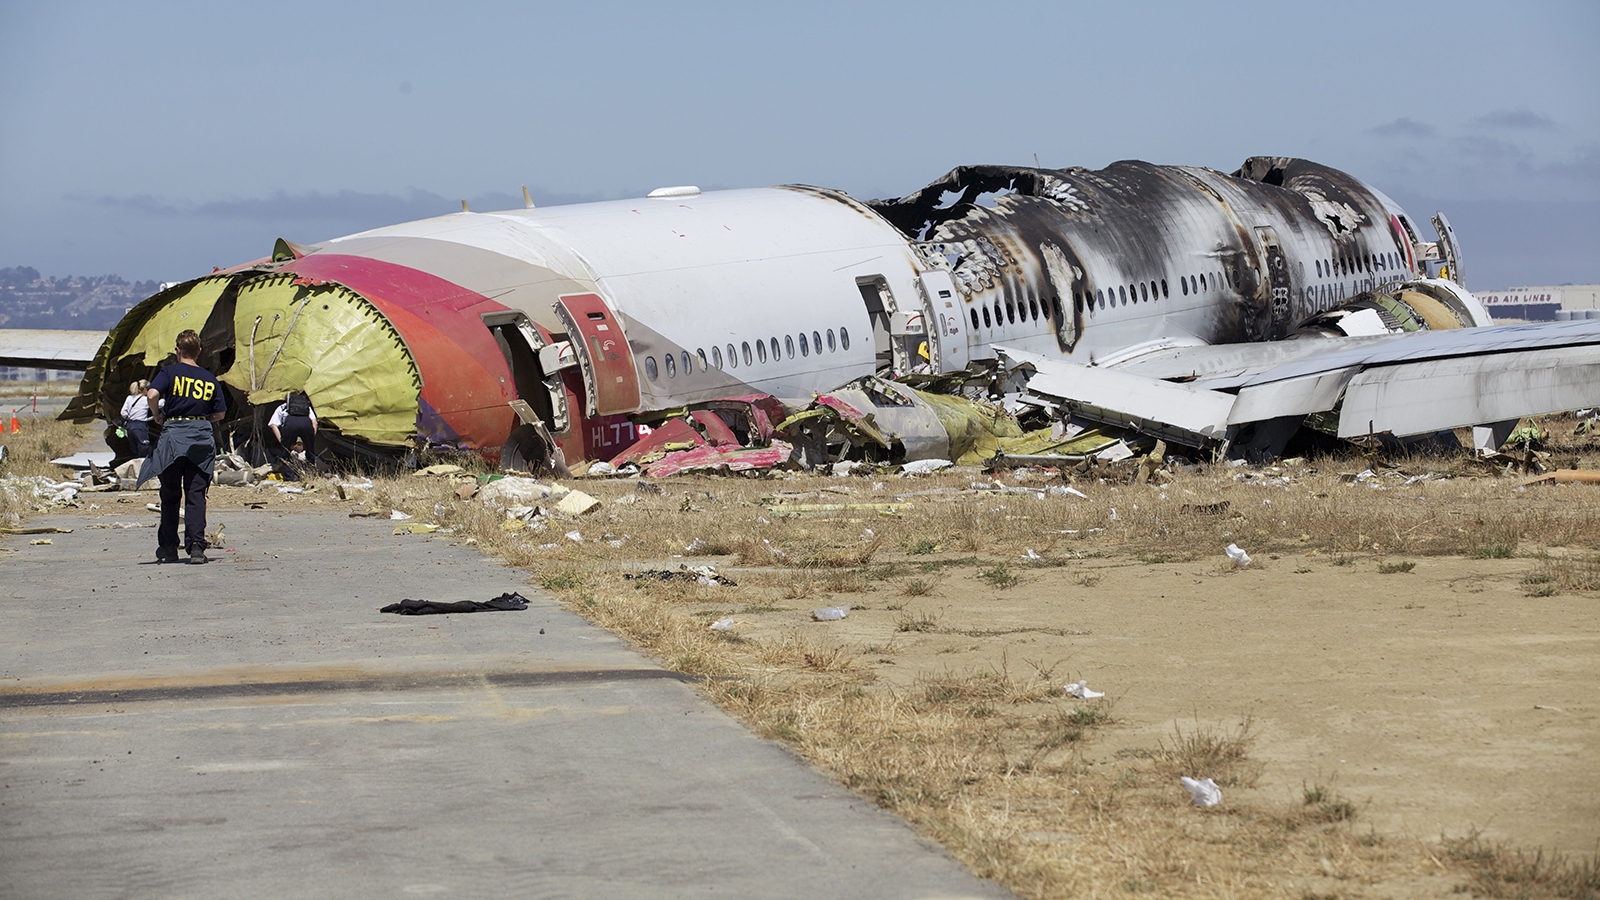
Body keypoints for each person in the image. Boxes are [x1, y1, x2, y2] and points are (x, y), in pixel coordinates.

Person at [136, 330, 226, 565]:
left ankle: (168, 547)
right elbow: (220, 413)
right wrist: (201, 417)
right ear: (200, 351)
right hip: (200, 439)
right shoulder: (209, 378)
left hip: (174, 437)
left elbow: (152, 394)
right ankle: (196, 547)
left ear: (178, 350)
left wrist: (157, 414)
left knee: (170, 493)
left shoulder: (169, 372)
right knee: (196, 494)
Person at [268, 391, 317, 476]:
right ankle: (311, 474)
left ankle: (290, 477)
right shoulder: (306, 407)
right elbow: (314, 422)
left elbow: (273, 425)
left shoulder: (281, 408)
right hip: (306, 423)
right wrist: (311, 438)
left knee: (285, 453)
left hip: (290, 424)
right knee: (310, 452)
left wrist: (282, 441)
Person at [119, 379, 152, 457]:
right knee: (144, 448)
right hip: (140, 426)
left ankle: (136, 463)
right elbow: (159, 405)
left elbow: (123, 412)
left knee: (134, 448)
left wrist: (129, 417)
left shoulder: (129, 398)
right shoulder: (146, 400)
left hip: (130, 426)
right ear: (144, 389)